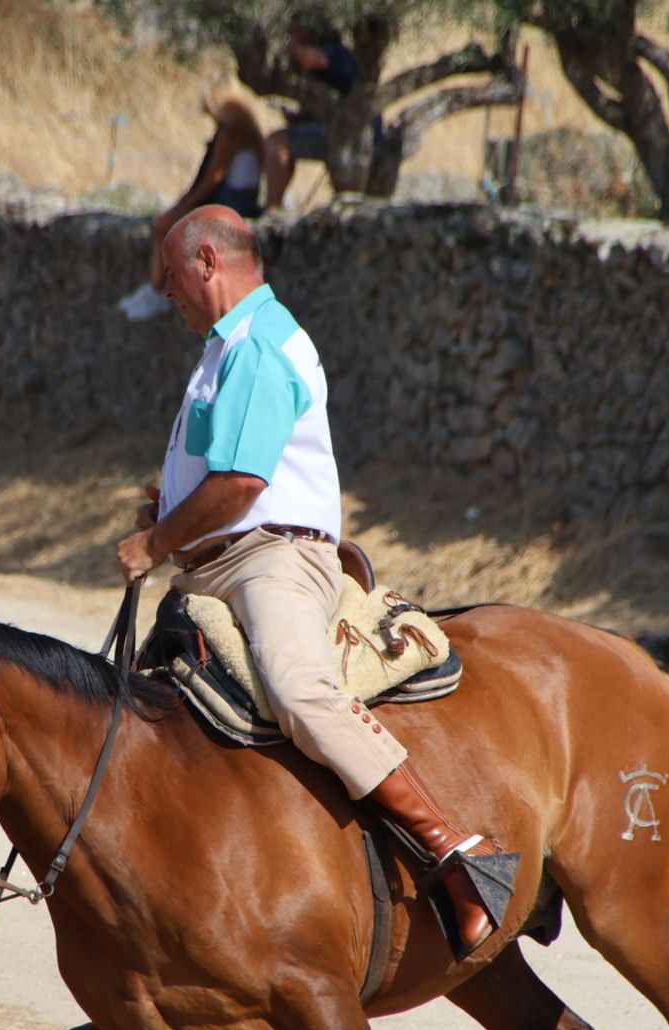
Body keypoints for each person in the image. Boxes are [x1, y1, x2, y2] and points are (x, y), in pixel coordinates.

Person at [117, 205, 508, 960]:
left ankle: (459, 857)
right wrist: (166, 499)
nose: (166, 293)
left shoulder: (259, 347)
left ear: (207, 260)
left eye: (171, 277)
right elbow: (216, 469)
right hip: (216, 566)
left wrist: (154, 542)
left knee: (298, 689)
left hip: (272, 562)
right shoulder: (225, 346)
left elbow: (241, 482)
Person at [117, 77, 265, 322]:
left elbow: (212, 178)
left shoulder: (231, 133)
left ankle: (157, 291)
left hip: (231, 201)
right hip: (241, 199)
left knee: (164, 228)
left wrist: (182, 207)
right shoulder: (246, 128)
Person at [262, 21, 366, 212]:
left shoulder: (333, 50)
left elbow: (312, 59)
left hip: (347, 136)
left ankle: (272, 209)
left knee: (277, 143)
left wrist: (288, 49)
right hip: (341, 131)